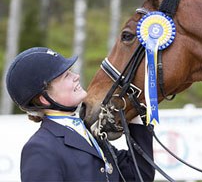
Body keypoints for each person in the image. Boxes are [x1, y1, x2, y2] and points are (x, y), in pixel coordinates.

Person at [6, 47, 155, 182]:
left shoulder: (86, 132)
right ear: (45, 99)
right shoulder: (40, 148)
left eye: (70, 72)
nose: (76, 76)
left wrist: (134, 111)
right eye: (66, 76)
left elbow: (139, 175)